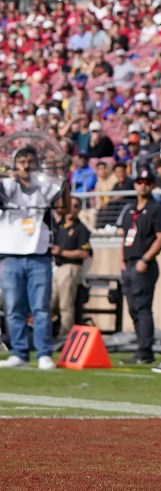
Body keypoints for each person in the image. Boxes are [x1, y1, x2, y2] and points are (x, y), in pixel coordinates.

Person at [0, 146, 67, 370]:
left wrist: (65, 177)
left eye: (30, 161)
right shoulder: (7, 186)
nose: (26, 166)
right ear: (14, 164)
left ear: (37, 164)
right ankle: (19, 352)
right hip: (10, 254)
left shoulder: (45, 187)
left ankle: (43, 353)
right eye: (21, 162)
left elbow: (63, 208)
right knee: (14, 307)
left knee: (40, 308)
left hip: (39, 255)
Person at [114, 168, 161, 365]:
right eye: (140, 182)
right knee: (133, 309)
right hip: (129, 263)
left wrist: (145, 259)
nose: (143, 185)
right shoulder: (129, 208)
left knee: (143, 307)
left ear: (152, 185)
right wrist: (121, 259)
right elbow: (123, 235)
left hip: (143, 264)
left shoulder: (157, 209)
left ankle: (145, 350)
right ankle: (142, 348)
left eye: (147, 182)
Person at [50, 196, 92, 338]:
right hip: (56, 267)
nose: (71, 209)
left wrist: (61, 252)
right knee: (49, 304)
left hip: (70, 268)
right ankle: (48, 333)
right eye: (69, 205)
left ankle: (65, 337)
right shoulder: (59, 226)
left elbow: (84, 253)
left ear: (79, 209)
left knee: (65, 305)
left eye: (75, 206)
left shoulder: (81, 229)